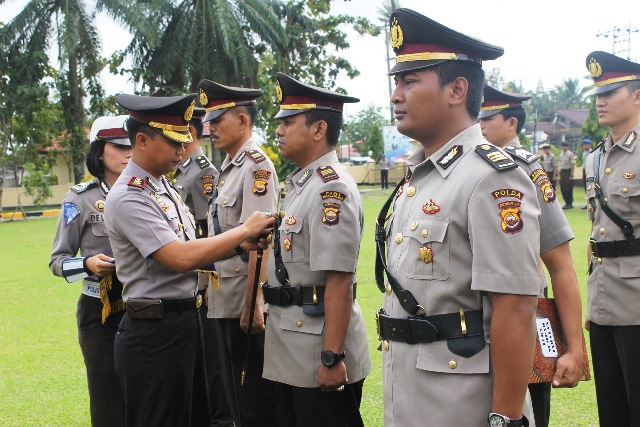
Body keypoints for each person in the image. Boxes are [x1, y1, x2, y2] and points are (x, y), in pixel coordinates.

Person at [378, 9, 541, 427]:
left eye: (410, 81)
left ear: (457, 90)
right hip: (412, 391)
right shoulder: (420, 177)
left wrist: (505, 418)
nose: (396, 95)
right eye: (396, 82)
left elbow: (515, 308)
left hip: (461, 404)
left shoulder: (490, 177)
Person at [104, 93, 275, 426]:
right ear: (141, 140)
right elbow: (180, 257)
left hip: (185, 324)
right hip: (153, 334)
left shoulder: (161, 188)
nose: (182, 150)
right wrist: (243, 231)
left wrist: (242, 245)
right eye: (173, 142)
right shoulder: (130, 195)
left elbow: (197, 247)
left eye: (184, 141)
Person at [262, 72, 371, 427]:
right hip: (292, 343)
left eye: (288, 122)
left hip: (317, 350)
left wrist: (331, 357)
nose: (278, 131)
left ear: (318, 129)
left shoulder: (330, 189)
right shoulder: (302, 184)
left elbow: (339, 279)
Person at [479, 85, 584, 427]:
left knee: (529, 408)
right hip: (475, 326)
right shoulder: (472, 168)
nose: (480, 126)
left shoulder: (525, 170)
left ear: (512, 123)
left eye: (488, 119)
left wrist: (574, 348)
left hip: (525, 314)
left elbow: (561, 267)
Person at [197, 79, 281, 427]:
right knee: (232, 398)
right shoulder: (229, 168)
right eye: (209, 121)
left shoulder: (256, 168)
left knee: (252, 404)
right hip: (221, 297)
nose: (210, 127)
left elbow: (260, 245)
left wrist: (252, 303)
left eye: (218, 120)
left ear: (243, 121)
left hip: (241, 302)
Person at [49, 115, 130, 427]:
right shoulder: (79, 200)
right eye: (119, 146)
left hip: (143, 304)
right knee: (107, 395)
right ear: (99, 153)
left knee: (145, 390)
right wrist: (86, 265)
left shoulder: (147, 192)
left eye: (131, 146)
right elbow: (58, 262)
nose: (128, 153)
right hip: (100, 310)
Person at [583, 50, 640, 426]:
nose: (601, 101)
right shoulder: (594, 159)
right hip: (603, 302)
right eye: (598, 94)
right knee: (614, 412)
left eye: (612, 91)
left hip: (638, 303)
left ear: (637, 95)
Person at [172, 106, 232, 426]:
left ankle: (220, 418)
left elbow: (208, 230)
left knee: (212, 359)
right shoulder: (181, 170)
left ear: (190, 133)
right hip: (187, 278)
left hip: (202, 279)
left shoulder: (202, 171)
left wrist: (208, 282)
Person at [558, 141, 576, 209]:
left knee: (568, 187)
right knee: (563, 187)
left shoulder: (570, 154)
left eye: (564, 146)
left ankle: (569, 203)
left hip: (568, 171)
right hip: (562, 171)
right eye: (562, 146)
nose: (563, 147)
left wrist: (571, 175)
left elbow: (572, 164)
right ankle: (566, 202)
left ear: (567, 147)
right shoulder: (561, 154)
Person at [581, 138, 593, 209]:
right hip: (585, 172)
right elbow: (584, 165)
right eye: (583, 145)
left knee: (590, 187)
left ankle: (591, 203)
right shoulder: (584, 153)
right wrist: (582, 174)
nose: (584, 146)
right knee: (586, 188)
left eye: (586, 145)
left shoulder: (592, 152)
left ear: (589, 145)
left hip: (590, 172)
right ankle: (588, 203)